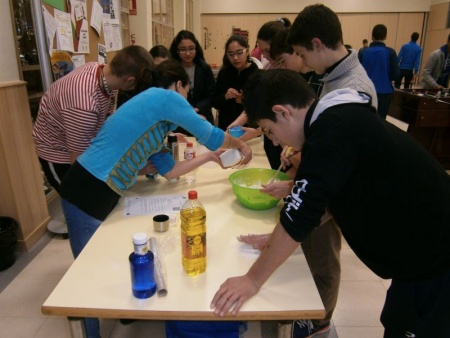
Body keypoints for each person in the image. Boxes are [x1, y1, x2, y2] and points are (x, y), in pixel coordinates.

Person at [211, 68, 450, 338]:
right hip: (420, 255)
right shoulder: (336, 119)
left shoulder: (329, 134)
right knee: (397, 321)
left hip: (436, 258)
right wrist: (274, 238)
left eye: (269, 131)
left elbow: (301, 214)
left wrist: (252, 280)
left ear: (283, 112)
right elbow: (323, 203)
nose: (276, 141)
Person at [58, 59, 252, 338]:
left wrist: (209, 157)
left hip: (99, 190)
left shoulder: (157, 122)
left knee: (100, 263)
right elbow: (209, 133)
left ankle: (119, 314)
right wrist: (239, 143)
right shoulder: (166, 98)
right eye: (187, 90)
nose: (188, 100)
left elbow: (170, 171)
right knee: (85, 276)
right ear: (178, 86)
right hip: (86, 189)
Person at [238, 5, 379, 337]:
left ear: (316, 44)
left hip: (339, 197)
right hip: (322, 187)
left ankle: (321, 323)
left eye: (298, 54)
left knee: (324, 260)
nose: (300, 63)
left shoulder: (354, 90)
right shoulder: (329, 78)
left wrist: (254, 276)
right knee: (307, 252)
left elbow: (338, 172)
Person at [32, 45, 154, 192]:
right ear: (129, 80)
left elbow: (106, 129)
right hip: (58, 152)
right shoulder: (84, 105)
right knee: (77, 198)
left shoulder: (104, 73)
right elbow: (79, 166)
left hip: (80, 143)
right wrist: (134, 172)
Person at [212, 35, 260, 131]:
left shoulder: (256, 73)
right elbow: (214, 102)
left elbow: (260, 105)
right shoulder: (224, 72)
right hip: (225, 125)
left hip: (248, 128)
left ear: (247, 52)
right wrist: (225, 96)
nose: (235, 58)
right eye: (231, 54)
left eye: (239, 53)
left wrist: (245, 101)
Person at [169, 30, 215, 126]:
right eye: (183, 49)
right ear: (177, 50)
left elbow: (212, 95)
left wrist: (196, 109)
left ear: (196, 48)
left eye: (191, 48)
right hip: (179, 117)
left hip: (202, 115)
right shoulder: (172, 69)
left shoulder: (204, 68)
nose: (188, 53)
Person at [359, 24, 399, 119]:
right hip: (384, 93)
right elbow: (395, 75)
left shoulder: (363, 52)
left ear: (372, 36)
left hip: (365, 92)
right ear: (385, 37)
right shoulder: (390, 52)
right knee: (381, 121)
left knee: (365, 119)